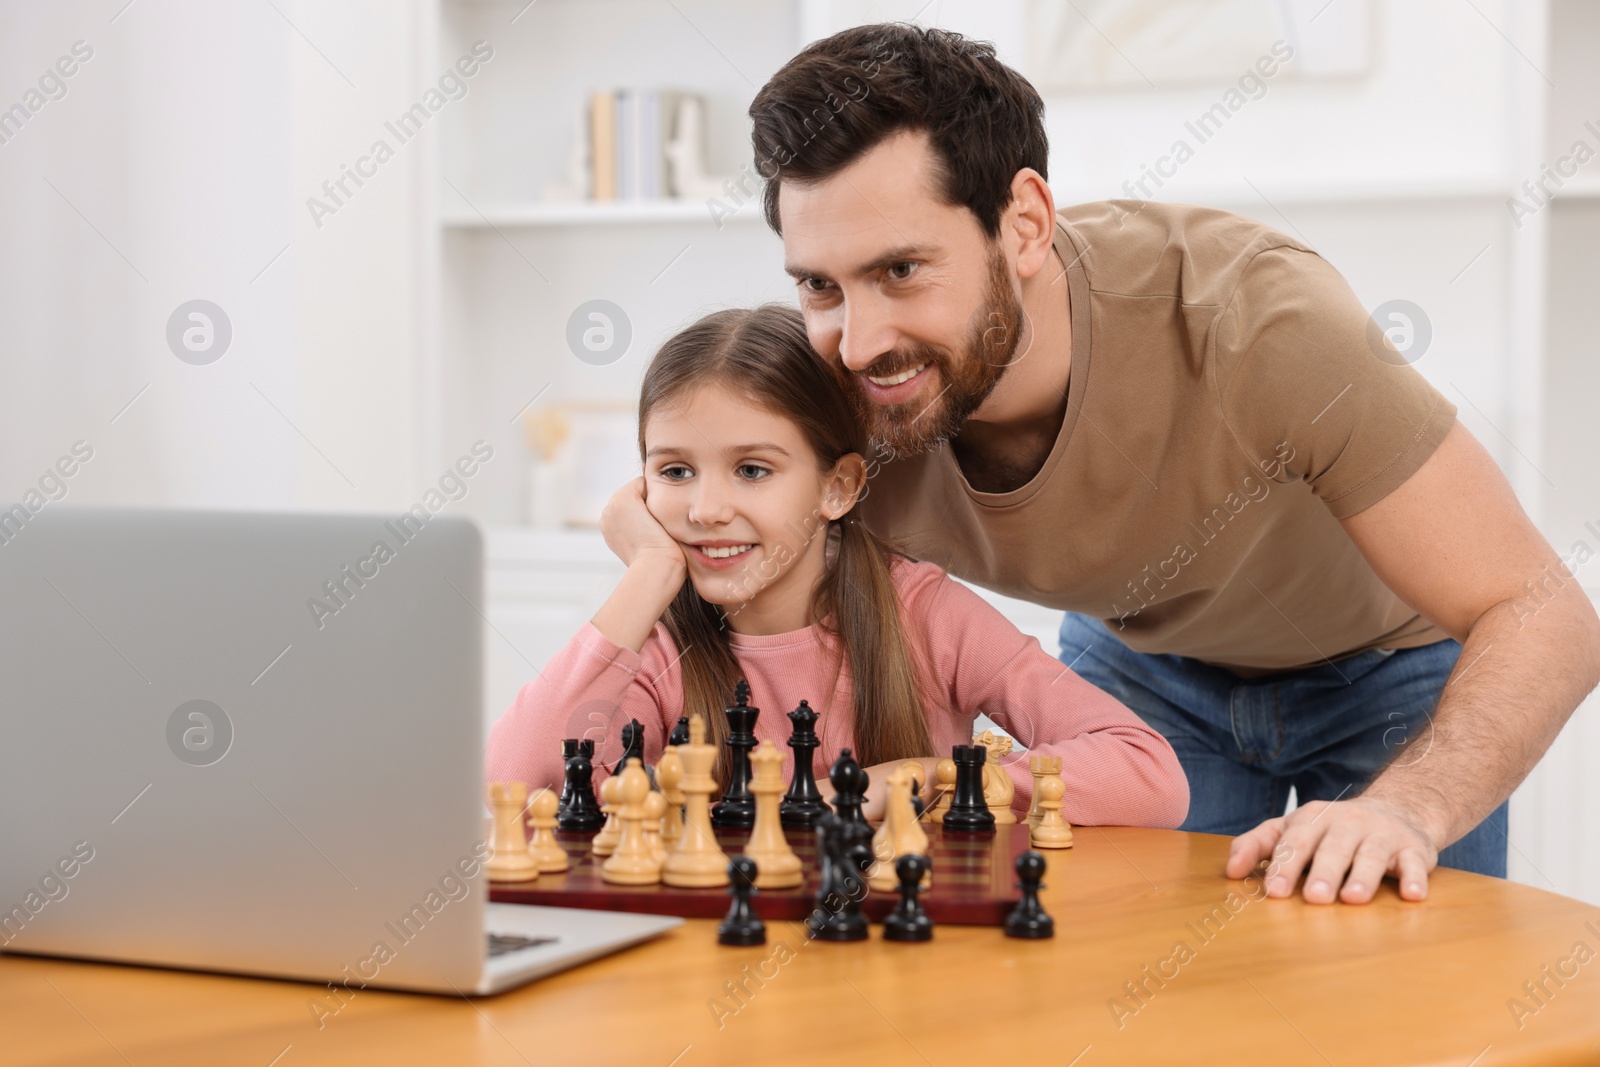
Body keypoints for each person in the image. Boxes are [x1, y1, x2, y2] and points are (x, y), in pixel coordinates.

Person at [725, 24, 1600, 903]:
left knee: (1412, 1008)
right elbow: (689, 516)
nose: (861, 340)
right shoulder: (832, 408)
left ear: (1024, 223)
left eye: (904, 268)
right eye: (820, 286)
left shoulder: (1258, 321)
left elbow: (1542, 611)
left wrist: (1410, 807)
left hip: (1389, 668)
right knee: (1138, 995)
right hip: (1143, 668)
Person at [486, 305, 1188, 827]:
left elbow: (1151, 773)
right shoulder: (658, 644)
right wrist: (645, 573)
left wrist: (934, 777)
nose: (704, 508)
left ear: (838, 487)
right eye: (674, 469)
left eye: (753, 469)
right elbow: (510, 787)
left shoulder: (924, 613)